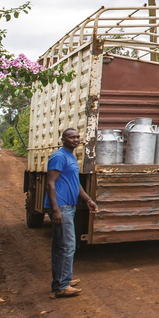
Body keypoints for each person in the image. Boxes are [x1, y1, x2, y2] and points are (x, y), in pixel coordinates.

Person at [45, 128, 98, 298]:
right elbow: (50, 184)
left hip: (69, 205)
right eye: (71, 137)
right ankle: (62, 285)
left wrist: (88, 199)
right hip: (62, 207)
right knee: (67, 246)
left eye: (76, 137)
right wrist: (55, 210)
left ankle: (62, 280)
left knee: (61, 245)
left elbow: (75, 183)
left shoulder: (71, 156)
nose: (75, 140)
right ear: (63, 139)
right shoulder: (59, 157)